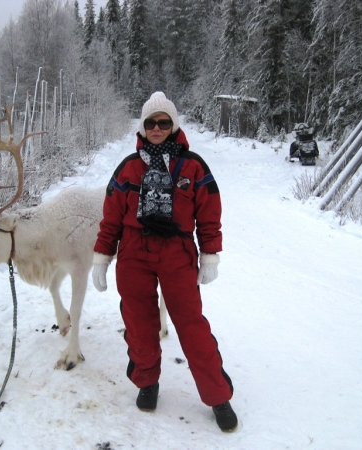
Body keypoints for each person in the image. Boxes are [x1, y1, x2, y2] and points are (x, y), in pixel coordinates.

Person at [91, 91, 238, 432]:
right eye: (151, 123)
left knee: (190, 324)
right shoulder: (128, 168)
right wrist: (102, 256)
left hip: (177, 253)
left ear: (173, 125)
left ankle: (218, 396)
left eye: (164, 122)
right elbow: (111, 217)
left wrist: (210, 253)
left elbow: (209, 214)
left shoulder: (193, 166)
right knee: (139, 323)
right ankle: (147, 382)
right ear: (143, 126)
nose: (157, 128)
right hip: (133, 253)